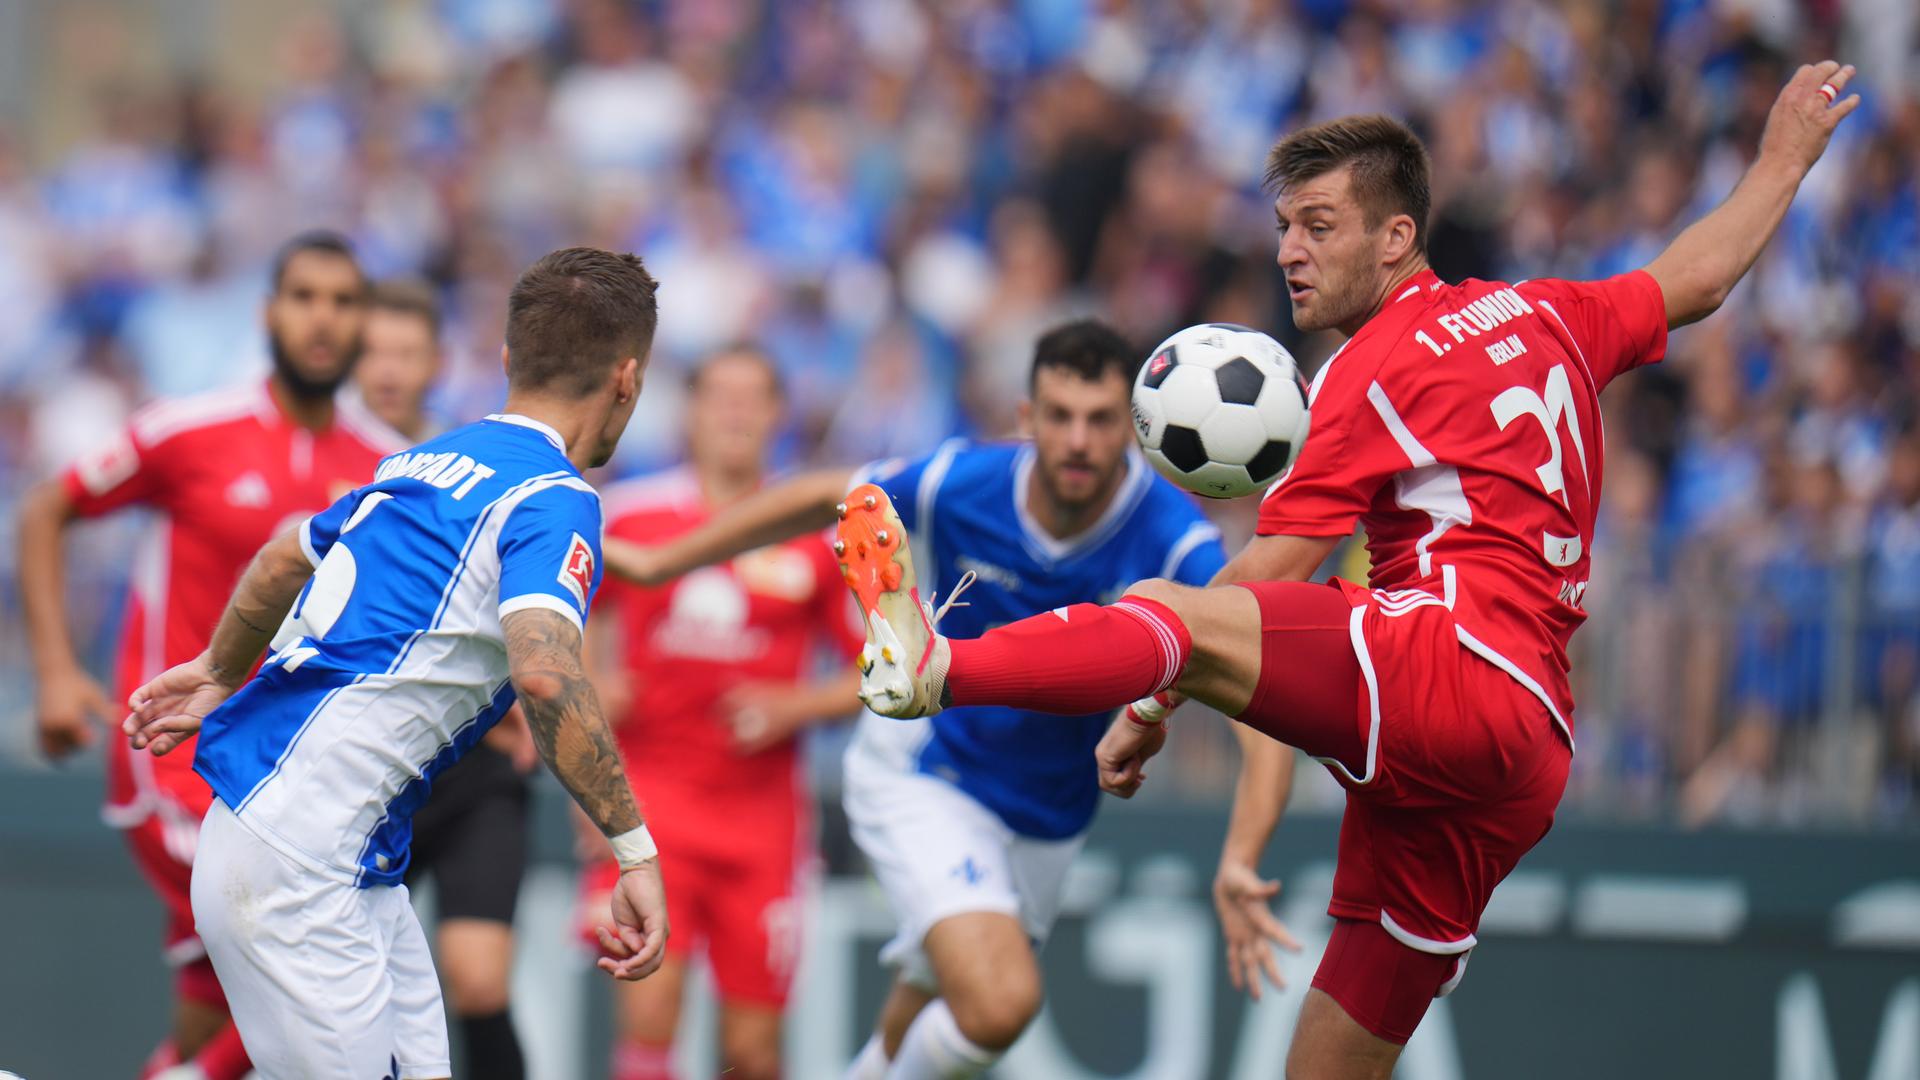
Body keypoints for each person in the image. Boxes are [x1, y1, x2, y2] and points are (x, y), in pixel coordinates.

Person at [833, 63, 1859, 1079]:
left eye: (1319, 226)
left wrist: (1150, 700)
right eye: (1285, 226)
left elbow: (1271, 567)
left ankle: (938, 667)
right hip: (1528, 748)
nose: (1289, 251)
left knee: (1166, 605)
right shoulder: (1546, 313)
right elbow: (1702, 275)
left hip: (1447, 667)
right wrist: (1786, 153)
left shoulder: (1371, 369)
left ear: (1397, 236)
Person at [603, 319, 1227, 1080]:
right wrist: (659, 570)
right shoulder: (960, 482)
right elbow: (834, 497)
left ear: (1133, 430)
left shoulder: (1174, 541)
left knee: (920, 1002)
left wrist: (1248, 844)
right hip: (924, 771)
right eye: (1059, 416)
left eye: (1099, 420)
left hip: (1047, 810)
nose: (1078, 441)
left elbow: (1246, 662)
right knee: (997, 1004)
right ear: (1026, 419)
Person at [120, 247, 673, 1079]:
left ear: (506, 361)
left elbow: (281, 559)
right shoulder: (556, 498)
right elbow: (548, 672)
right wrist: (635, 851)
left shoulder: (417, 462)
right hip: (301, 863)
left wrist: (218, 669)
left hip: (334, 855)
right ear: (627, 379)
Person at [19, 230, 401, 1080]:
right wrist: (54, 668)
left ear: (364, 323)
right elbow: (47, 508)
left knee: (220, 1017)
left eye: (344, 301)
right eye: (305, 296)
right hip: (176, 754)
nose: (323, 318)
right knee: (288, 940)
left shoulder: (382, 469)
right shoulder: (190, 430)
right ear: (269, 311)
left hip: (289, 779)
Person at [578, 344, 861, 1080]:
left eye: (753, 396)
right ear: (690, 413)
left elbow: (886, 667)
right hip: (650, 808)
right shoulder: (632, 518)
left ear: (778, 416)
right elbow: (559, 627)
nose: (735, 411)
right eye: (719, 395)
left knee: (752, 1053)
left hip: (764, 826)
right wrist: (594, 689)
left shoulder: (815, 531)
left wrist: (797, 704)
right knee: (648, 1011)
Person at [358, 278, 541, 1079]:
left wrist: (527, 688)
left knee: (477, 979)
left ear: (438, 363)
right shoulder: (328, 469)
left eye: (408, 352)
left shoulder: (472, 469)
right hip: (369, 768)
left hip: (471, 768)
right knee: (346, 998)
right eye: (375, 352)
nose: (389, 370)